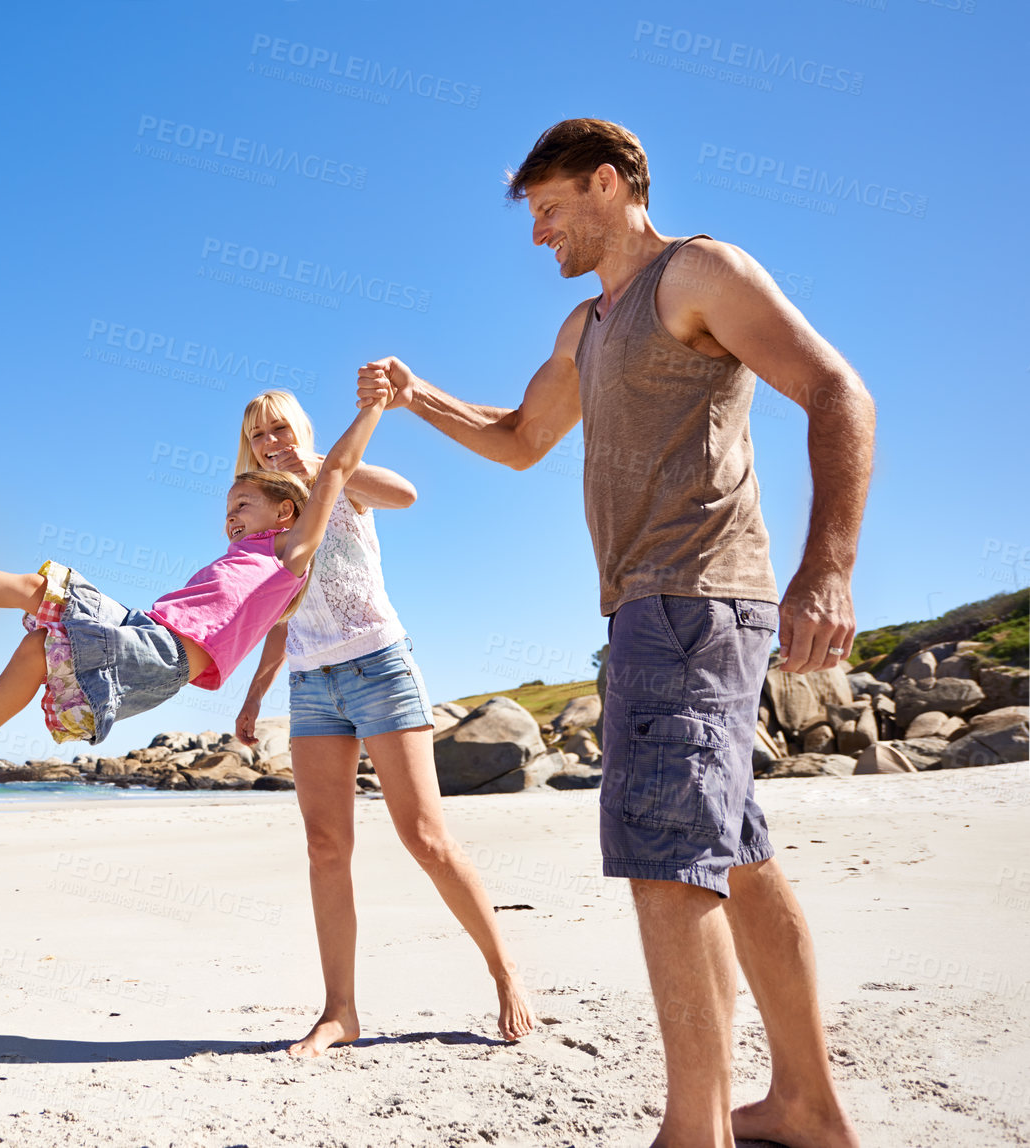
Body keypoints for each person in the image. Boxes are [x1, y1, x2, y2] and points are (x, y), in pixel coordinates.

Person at [358, 118, 871, 1148]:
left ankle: (694, 1128)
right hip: (654, 604)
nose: (539, 235)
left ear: (607, 183)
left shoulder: (697, 273)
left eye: (549, 211)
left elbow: (835, 391)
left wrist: (829, 567)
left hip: (693, 597)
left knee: (664, 852)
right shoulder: (587, 329)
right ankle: (806, 1104)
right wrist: (416, 397)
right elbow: (516, 440)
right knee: (728, 849)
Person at [0, 377, 393, 779]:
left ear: (284, 513)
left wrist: (372, 407)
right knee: (39, 592)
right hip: (146, 627)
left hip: (168, 656)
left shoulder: (292, 555)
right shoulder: (246, 551)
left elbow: (339, 471)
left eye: (244, 505)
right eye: (229, 508)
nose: (232, 516)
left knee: (38, 650)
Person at [232, 389, 534, 1055]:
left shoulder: (337, 477)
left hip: (380, 668)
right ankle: (339, 1012)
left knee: (425, 838)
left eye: (279, 428)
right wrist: (254, 695)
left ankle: (502, 968)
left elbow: (405, 495)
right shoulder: (261, 513)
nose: (270, 442)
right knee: (324, 849)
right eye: (258, 437)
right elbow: (279, 612)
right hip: (311, 684)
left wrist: (322, 465)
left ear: (302, 428)